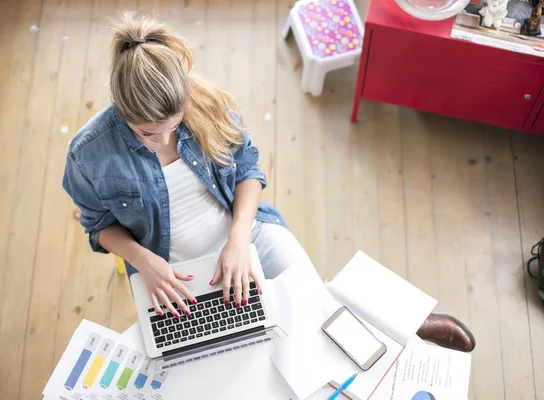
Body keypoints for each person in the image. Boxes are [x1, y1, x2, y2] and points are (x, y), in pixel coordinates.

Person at [62, 11, 475, 353]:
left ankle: (408, 321)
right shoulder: (88, 154)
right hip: (172, 274)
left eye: (174, 125)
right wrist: (144, 261)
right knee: (246, 351)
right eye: (148, 135)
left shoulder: (207, 102)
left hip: (248, 234)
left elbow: (248, 171)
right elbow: (97, 225)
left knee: (318, 308)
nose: (165, 140)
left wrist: (238, 240)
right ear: (120, 109)